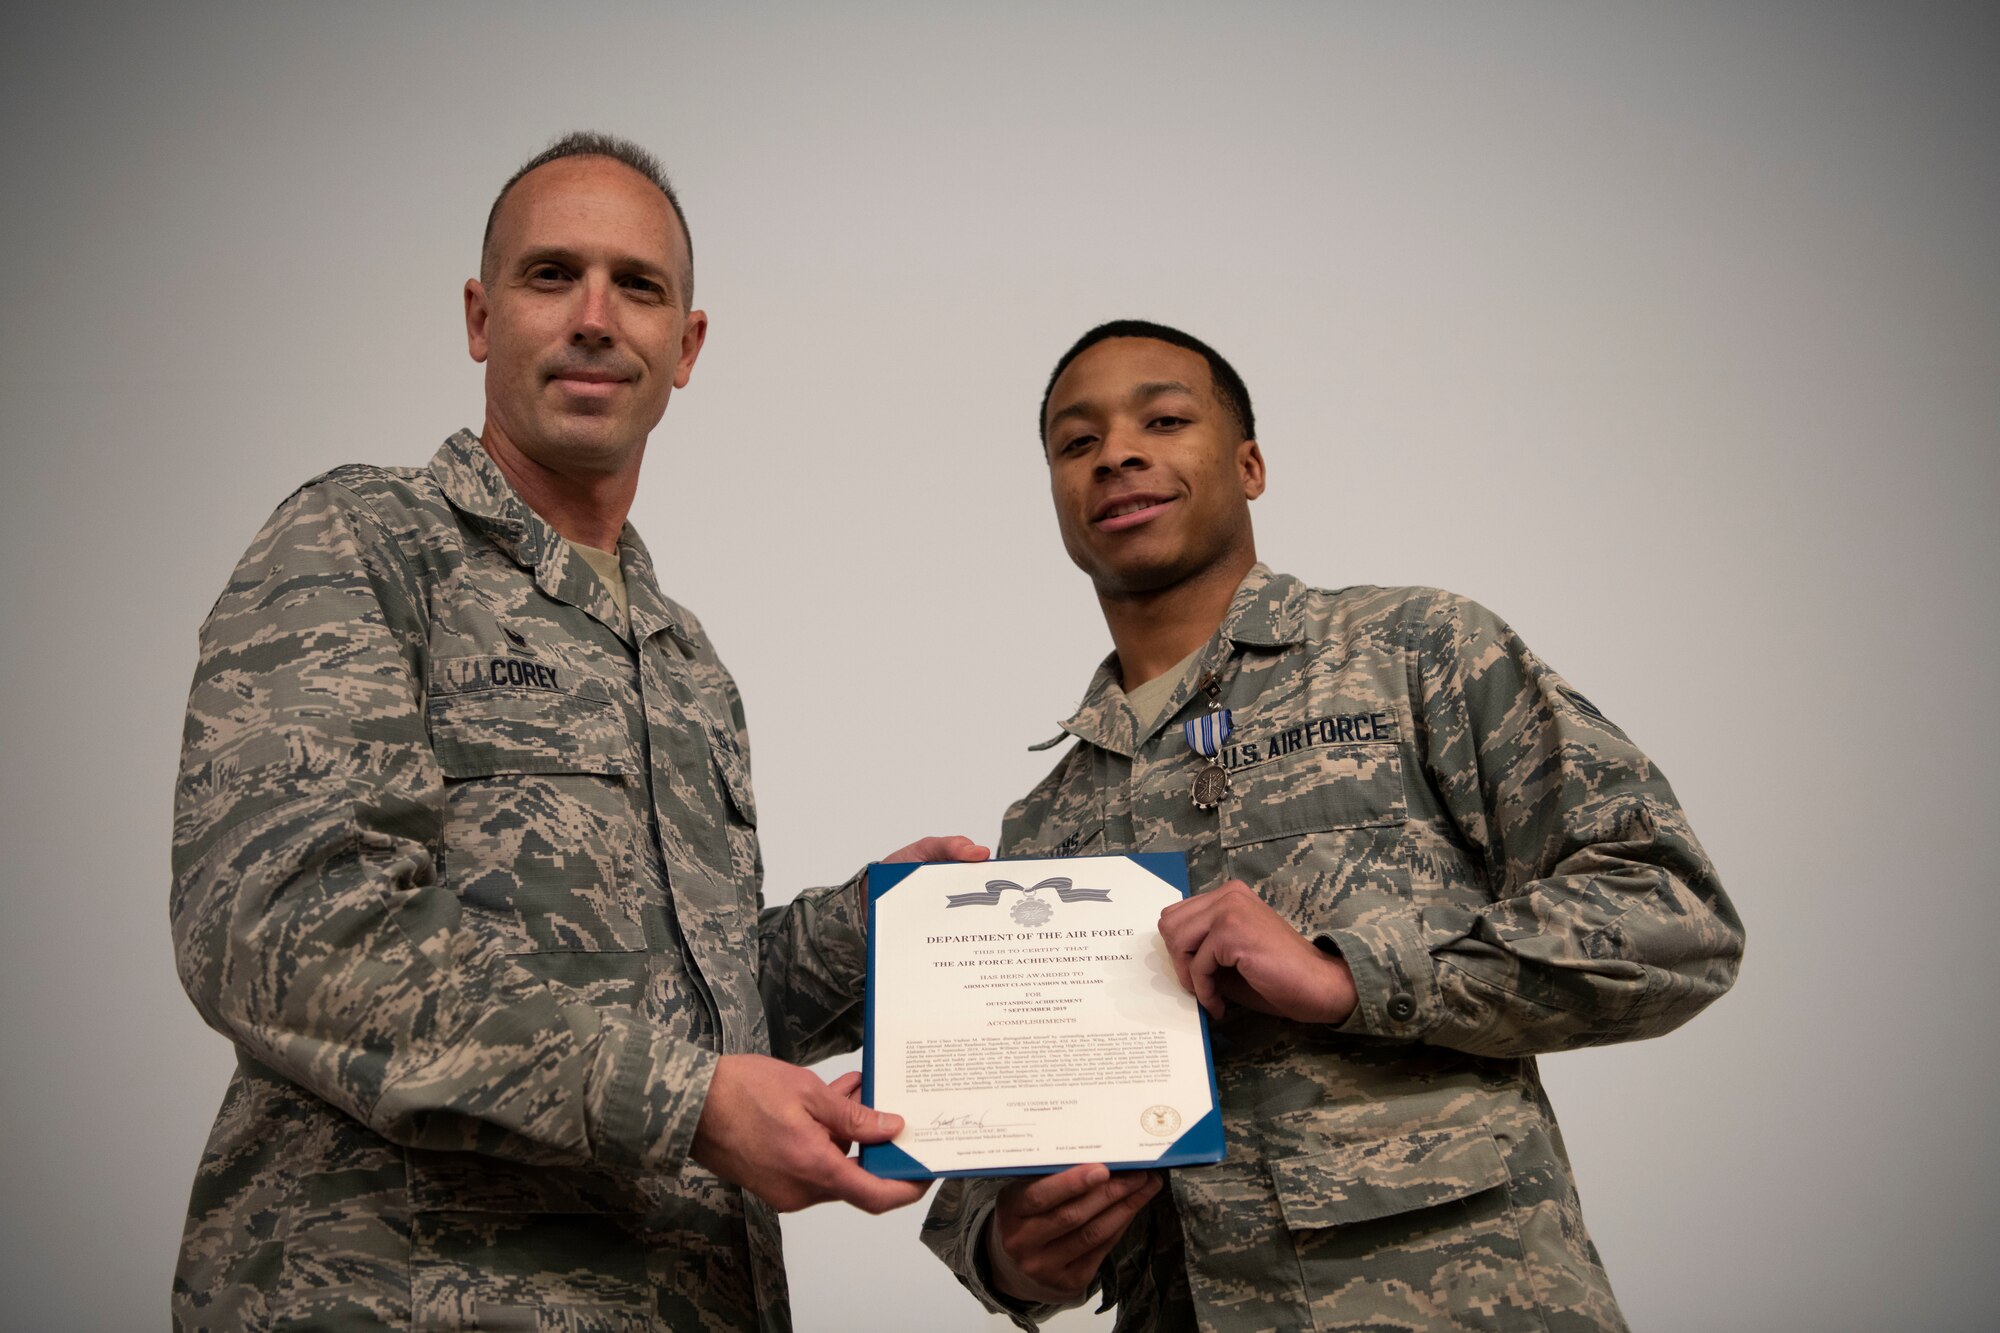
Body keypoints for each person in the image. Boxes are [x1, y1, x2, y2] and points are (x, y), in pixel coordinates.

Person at [169, 132, 980, 1331]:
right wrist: (688, 1102)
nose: (596, 316)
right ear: (479, 317)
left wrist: (876, 934)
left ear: (685, 346)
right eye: (552, 275)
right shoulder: (364, 544)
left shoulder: (684, 658)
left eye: (637, 285)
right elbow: (285, 927)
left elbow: (675, 1000)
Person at [919, 320, 1745, 1331]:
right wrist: (1005, 1252)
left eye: (1163, 419)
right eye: (1074, 442)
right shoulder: (1045, 827)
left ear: (1248, 464)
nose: (1116, 454)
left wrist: (1350, 973)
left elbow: (1670, 915)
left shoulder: (1418, 652)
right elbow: (991, 1139)